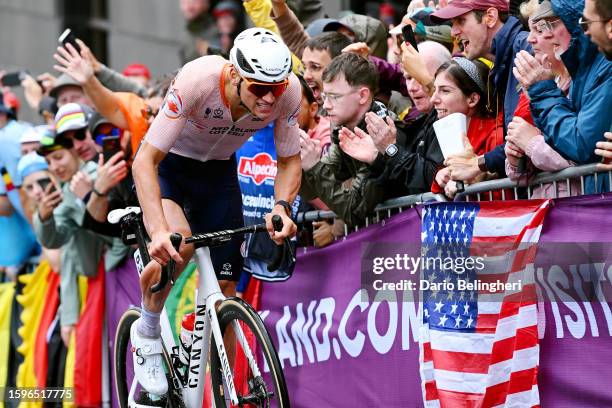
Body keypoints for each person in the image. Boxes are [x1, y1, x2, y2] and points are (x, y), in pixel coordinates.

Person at [130, 28, 300, 395]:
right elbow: (145, 160)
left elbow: (288, 160)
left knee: (225, 293)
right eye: (259, 88)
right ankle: (145, 330)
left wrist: (281, 207)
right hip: (169, 168)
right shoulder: (199, 79)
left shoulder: (289, 93)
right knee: (179, 244)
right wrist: (158, 230)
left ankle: (220, 393)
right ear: (235, 75)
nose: (270, 99)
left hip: (219, 173)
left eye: (278, 87)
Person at [430, 0, 530, 179]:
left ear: (490, 17)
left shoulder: (526, 49)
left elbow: (535, 134)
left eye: (461, 21)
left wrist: (479, 164)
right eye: (452, 24)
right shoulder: (500, 65)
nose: (453, 32)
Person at [338, 42, 449, 200]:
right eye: (408, 78)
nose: (411, 87)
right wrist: (377, 160)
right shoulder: (419, 125)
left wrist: (391, 149)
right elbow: (402, 189)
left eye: (418, 77)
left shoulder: (451, 118)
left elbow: (432, 179)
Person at [505, 0, 578, 198]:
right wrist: (514, 158)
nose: (529, 39)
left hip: (579, 211)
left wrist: (532, 144)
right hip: (545, 209)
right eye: (530, 30)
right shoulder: (539, 83)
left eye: (538, 30)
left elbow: (582, 160)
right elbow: (519, 178)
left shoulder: (580, 82)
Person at [431, 58, 504, 199]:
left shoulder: (496, 135)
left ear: (472, 99)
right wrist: (441, 177)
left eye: (445, 91)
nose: (433, 99)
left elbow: (505, 198)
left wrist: (471, 184)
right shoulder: (449, 132)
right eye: (435, 90)